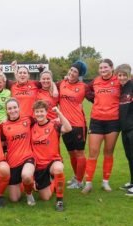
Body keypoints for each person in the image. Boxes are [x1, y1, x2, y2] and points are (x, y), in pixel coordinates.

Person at [82, 59, 121, 194]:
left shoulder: (118, 80)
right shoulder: (96, 81)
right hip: (97, 120)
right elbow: (86, 89)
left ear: (112, 67)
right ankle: (88, 183)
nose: (103, 70)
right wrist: (94, 99)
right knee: (93, 152)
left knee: (108, 152)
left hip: (113, 121)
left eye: (105, 67)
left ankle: (105, 182)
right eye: (101, 68)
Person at [31, 100, 72, 211]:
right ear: (34, 113)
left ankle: (59, 200)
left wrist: (59, 113)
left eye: (42, 111)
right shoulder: (31, 128)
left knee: (58, 169)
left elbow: (68, 128)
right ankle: (54, 181)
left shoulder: (54, 124)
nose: (39, 114)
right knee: (45, 197)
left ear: (46, 112)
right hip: (39, 166)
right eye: (37, 112)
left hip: (53, 161)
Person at [57, 61, 91, 189]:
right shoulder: (62, 83)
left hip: (78, 125)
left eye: (75, 72)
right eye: (71, 70)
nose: (71, 73)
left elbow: (95, 98)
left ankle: (79, 181)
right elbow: (47, 86)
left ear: (79, 75)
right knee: (71, 153)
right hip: (65, 126)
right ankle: (77, 176)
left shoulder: (83, 87)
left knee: (79, 153)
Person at [1, 98, 35, 205]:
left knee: (26, 175)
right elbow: (1, 144)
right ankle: (24, 184)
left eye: (15, 107)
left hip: (27, 157)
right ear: (6, 111)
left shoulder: (28, 120)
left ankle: (29, 194)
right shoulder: (3, 126)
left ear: (19, 108)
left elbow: (41, 122)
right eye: (10, 108)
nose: (13, 110)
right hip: (12, 162)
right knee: (14, 199)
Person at [114, 64, 133, 196]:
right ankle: (132, 182)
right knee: (129, 156)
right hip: (124, 128)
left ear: (129, 75)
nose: (121, 77)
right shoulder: (120, 89)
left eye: (124, 75)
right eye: (119, 75)